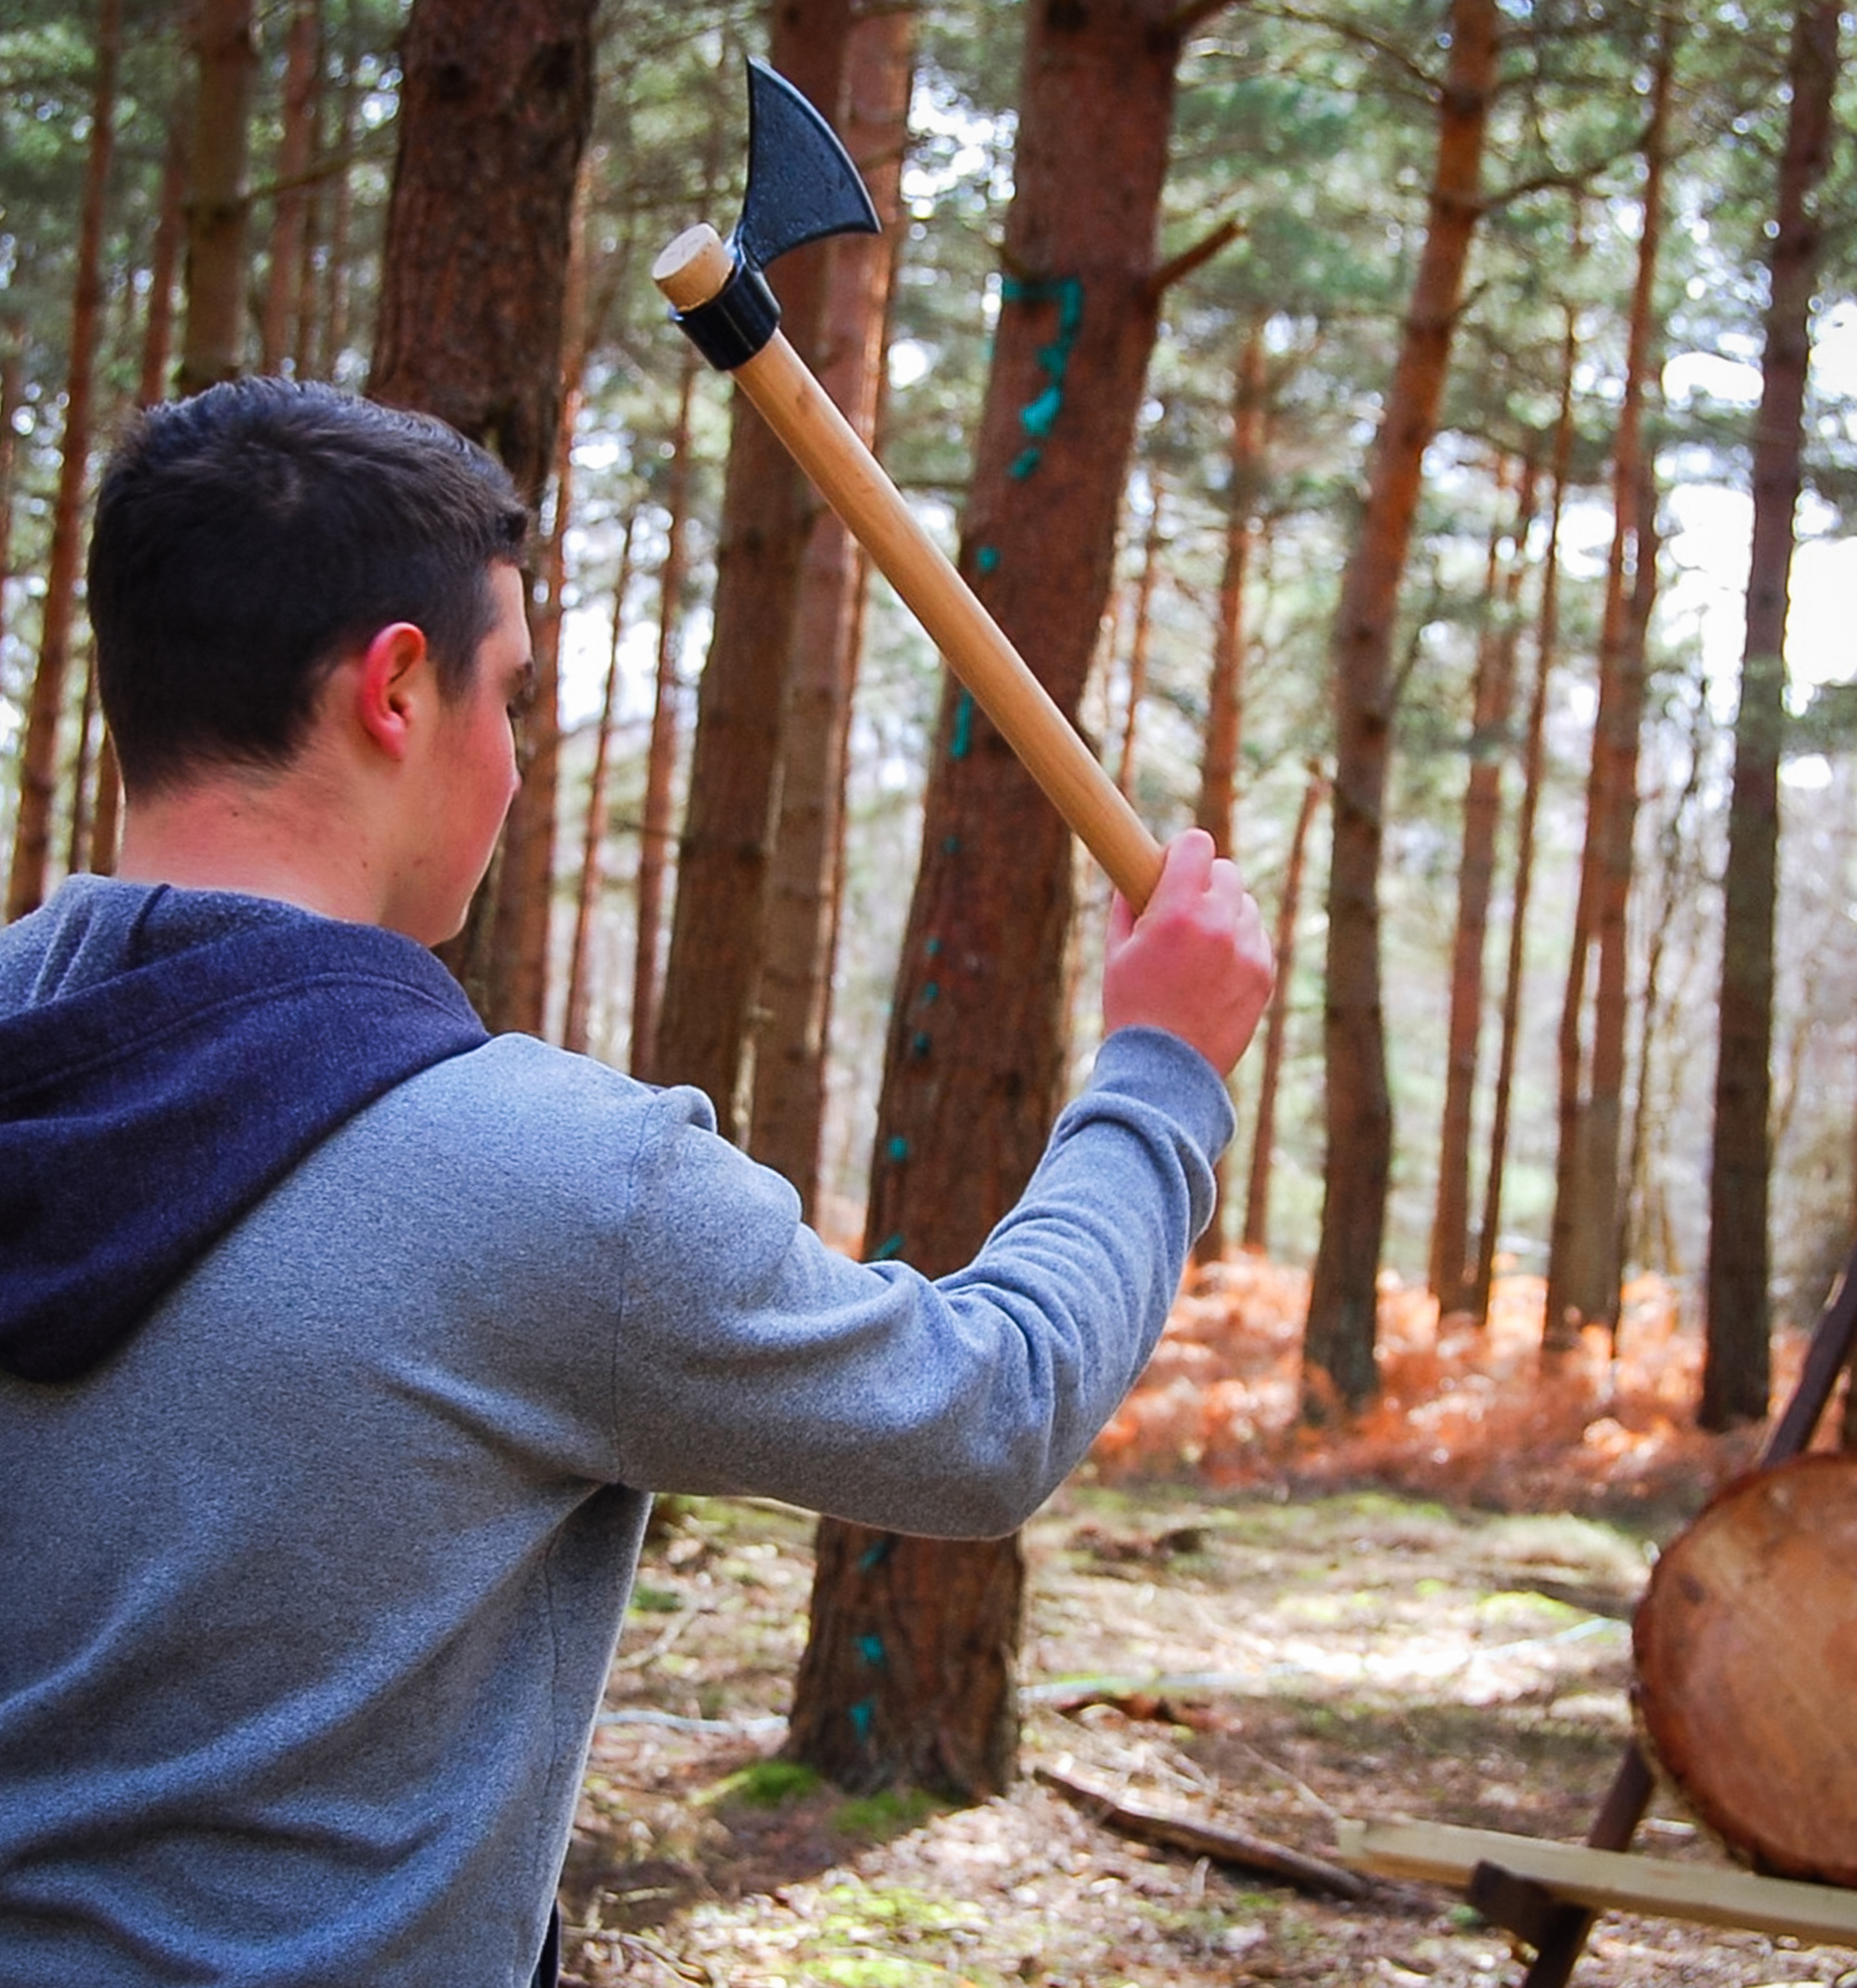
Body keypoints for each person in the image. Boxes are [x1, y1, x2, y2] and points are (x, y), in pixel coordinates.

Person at [0, 377, 1272, 1987]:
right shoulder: (556, 1188)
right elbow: (985, 1411)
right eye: (511, 697)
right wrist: (1164, 1069)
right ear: (397, 689)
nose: (519, 766)